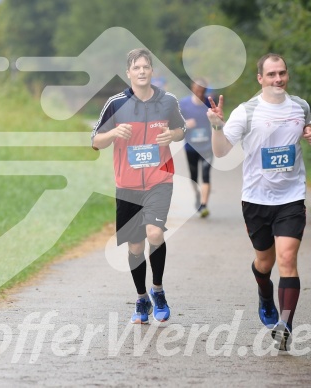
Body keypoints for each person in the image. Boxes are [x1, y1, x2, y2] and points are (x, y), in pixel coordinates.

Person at [206, 53, 311, 350]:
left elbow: (305, 127)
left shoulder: (301, 106)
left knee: (287, 259)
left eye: (282, 73)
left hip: (291, 196)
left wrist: (309, 132)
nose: (278, 79)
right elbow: (220, 152)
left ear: (287, 75)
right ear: (260, 79)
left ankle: (285, 326)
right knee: (265, 262)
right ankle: (264, 293)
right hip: (256, 199)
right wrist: (217, 126)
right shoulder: (247, 111)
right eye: (271, 74)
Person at [91, 48, 186, 324]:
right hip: (128, 184)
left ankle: (158, 290)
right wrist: (113, 132)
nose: (142, 72)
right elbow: (95, 141)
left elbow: (181, 129)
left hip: (160, 179)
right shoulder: (116, 103)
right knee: (135, 246)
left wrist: (173, 134)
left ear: (152, 71)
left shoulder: (167, 101)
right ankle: (141, 297)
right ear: (128, 73)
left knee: (155, 233)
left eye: (146, 67)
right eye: (137, 68)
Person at [179, 78, 213, 217]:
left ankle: (204, 205)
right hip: (191, 146)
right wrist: (186, 124)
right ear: (192, 88)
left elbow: (218, 120)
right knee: (194, 177)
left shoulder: (209, 102)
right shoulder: (184, 104)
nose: (199, 93)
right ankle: (198, 196)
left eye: (202, 91)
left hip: (207, 146)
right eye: (197, 90)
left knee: (205, 175)